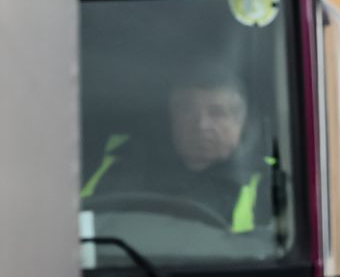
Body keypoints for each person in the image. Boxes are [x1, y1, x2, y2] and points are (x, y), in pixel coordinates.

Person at [81, 63, 274, 233]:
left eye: (217, 113)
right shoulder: (122, 164)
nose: (201, 124)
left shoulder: (269, 183)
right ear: (172, 118)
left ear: (241, 123)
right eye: (186, 110)